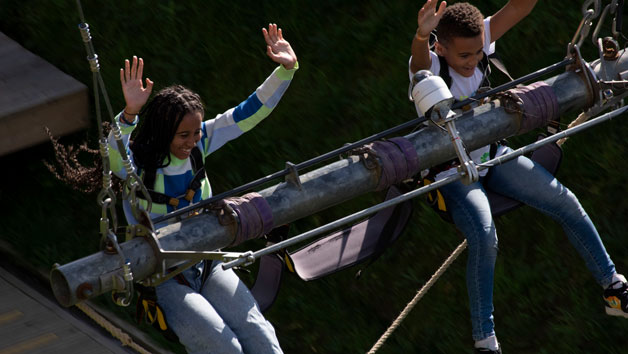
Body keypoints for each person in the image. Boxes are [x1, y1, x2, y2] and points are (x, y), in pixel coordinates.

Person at [409, 1, 628, 353]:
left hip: (492, 155)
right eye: (464, 55)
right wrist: (421, 35)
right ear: (441, 47)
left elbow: (519, 7)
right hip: (453, 170)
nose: (473, 60)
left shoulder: (479, 40)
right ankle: (485, 339)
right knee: (484, 234)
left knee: (564, 200)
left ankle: (613, 287)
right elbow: (419, 63)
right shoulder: (431, 64)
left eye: (479, 51)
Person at [109, 23, 297, 353]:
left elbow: (248, 112)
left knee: (262, 337)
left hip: (208, 262)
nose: (192, 142)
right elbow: (113, 156)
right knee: (225, 347)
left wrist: (285, 70)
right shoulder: (138, 165)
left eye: (196, 133)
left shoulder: (200, 145)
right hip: (165, 277)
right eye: (184, 136)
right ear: (163, 132)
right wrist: (129, 114)